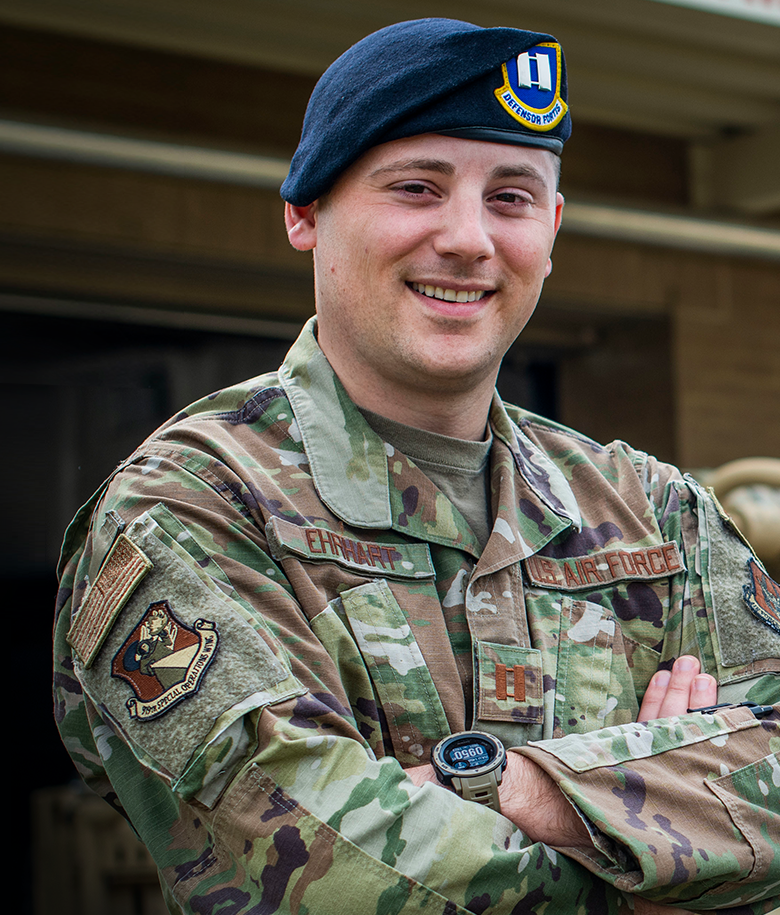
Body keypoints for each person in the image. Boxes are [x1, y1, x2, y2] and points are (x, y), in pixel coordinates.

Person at [53, 18, 780, 915]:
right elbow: (335, 878)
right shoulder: (190, 508)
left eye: (511, 196)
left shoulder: (654, 513)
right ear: (305, 209)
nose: (469, 237)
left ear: (551, 230)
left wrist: (522, 788)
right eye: (416, 187)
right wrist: (668, 854)